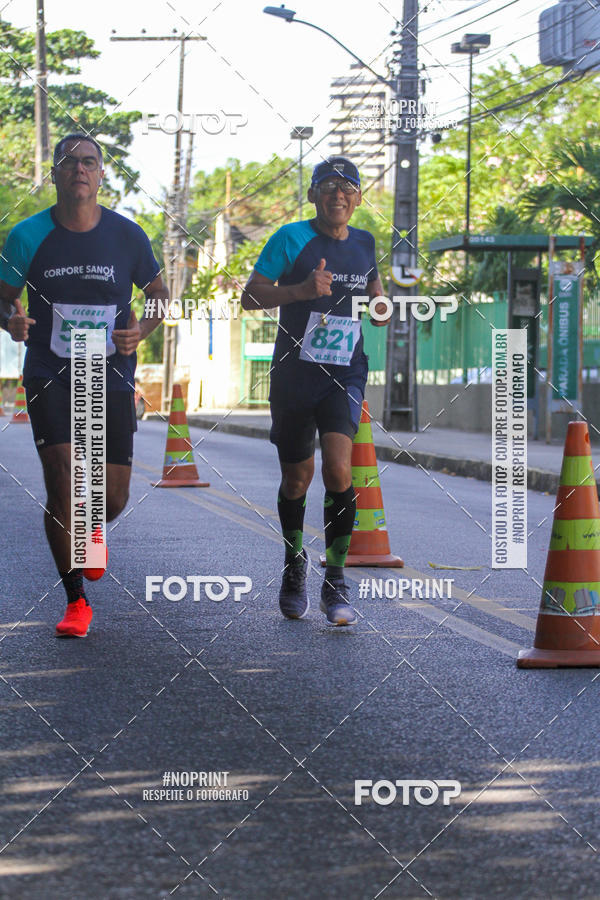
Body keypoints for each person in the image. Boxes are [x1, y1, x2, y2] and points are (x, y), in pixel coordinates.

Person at [0, 133, 167, 637]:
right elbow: (3, 299)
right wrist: (11, 320)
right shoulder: (27, 236)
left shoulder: (127, 235)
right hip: (49, 369)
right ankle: (76, 601)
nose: (80, 169)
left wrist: (143, 330)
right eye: (70, 162)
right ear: (54, 174)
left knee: (110, 499)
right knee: (63, 480)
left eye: (89, 162)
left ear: (101, 174)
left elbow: (158, 294)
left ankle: (92, 524)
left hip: (109, 372)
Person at [241, 156, 388, 626]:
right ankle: (293, 564)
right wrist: (301, 291)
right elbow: (250, 296)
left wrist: (381, 304)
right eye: (328, 186)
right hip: (293, 375)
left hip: (345, 371)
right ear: (313, 195)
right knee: (297, 479)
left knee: (340, 469)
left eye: (348, 186)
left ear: (359, 198)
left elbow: (374, 288)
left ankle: (337, 579)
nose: (338, 194)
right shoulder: (290, 238)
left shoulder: (365, 243)